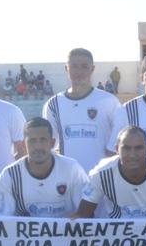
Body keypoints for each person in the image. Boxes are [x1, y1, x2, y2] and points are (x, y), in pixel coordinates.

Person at [43, 48, 121, 176]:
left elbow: (119, 142)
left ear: (92, 69)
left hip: (101, 178)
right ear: (66, 69)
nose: (79, 71)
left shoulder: (108, 101)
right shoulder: (53, 104)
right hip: (69, 178)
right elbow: (49, 145)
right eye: (74, 66)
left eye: (84, 66)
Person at [0, 117, 89, 218]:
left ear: (52, 143)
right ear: (23, 144)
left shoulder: (72, 169)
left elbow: (86, 214)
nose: (38, 146)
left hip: (66, 233)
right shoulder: (10, 175)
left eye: (43, 140)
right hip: (27, 234)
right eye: (32, 141)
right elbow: (2, 220)